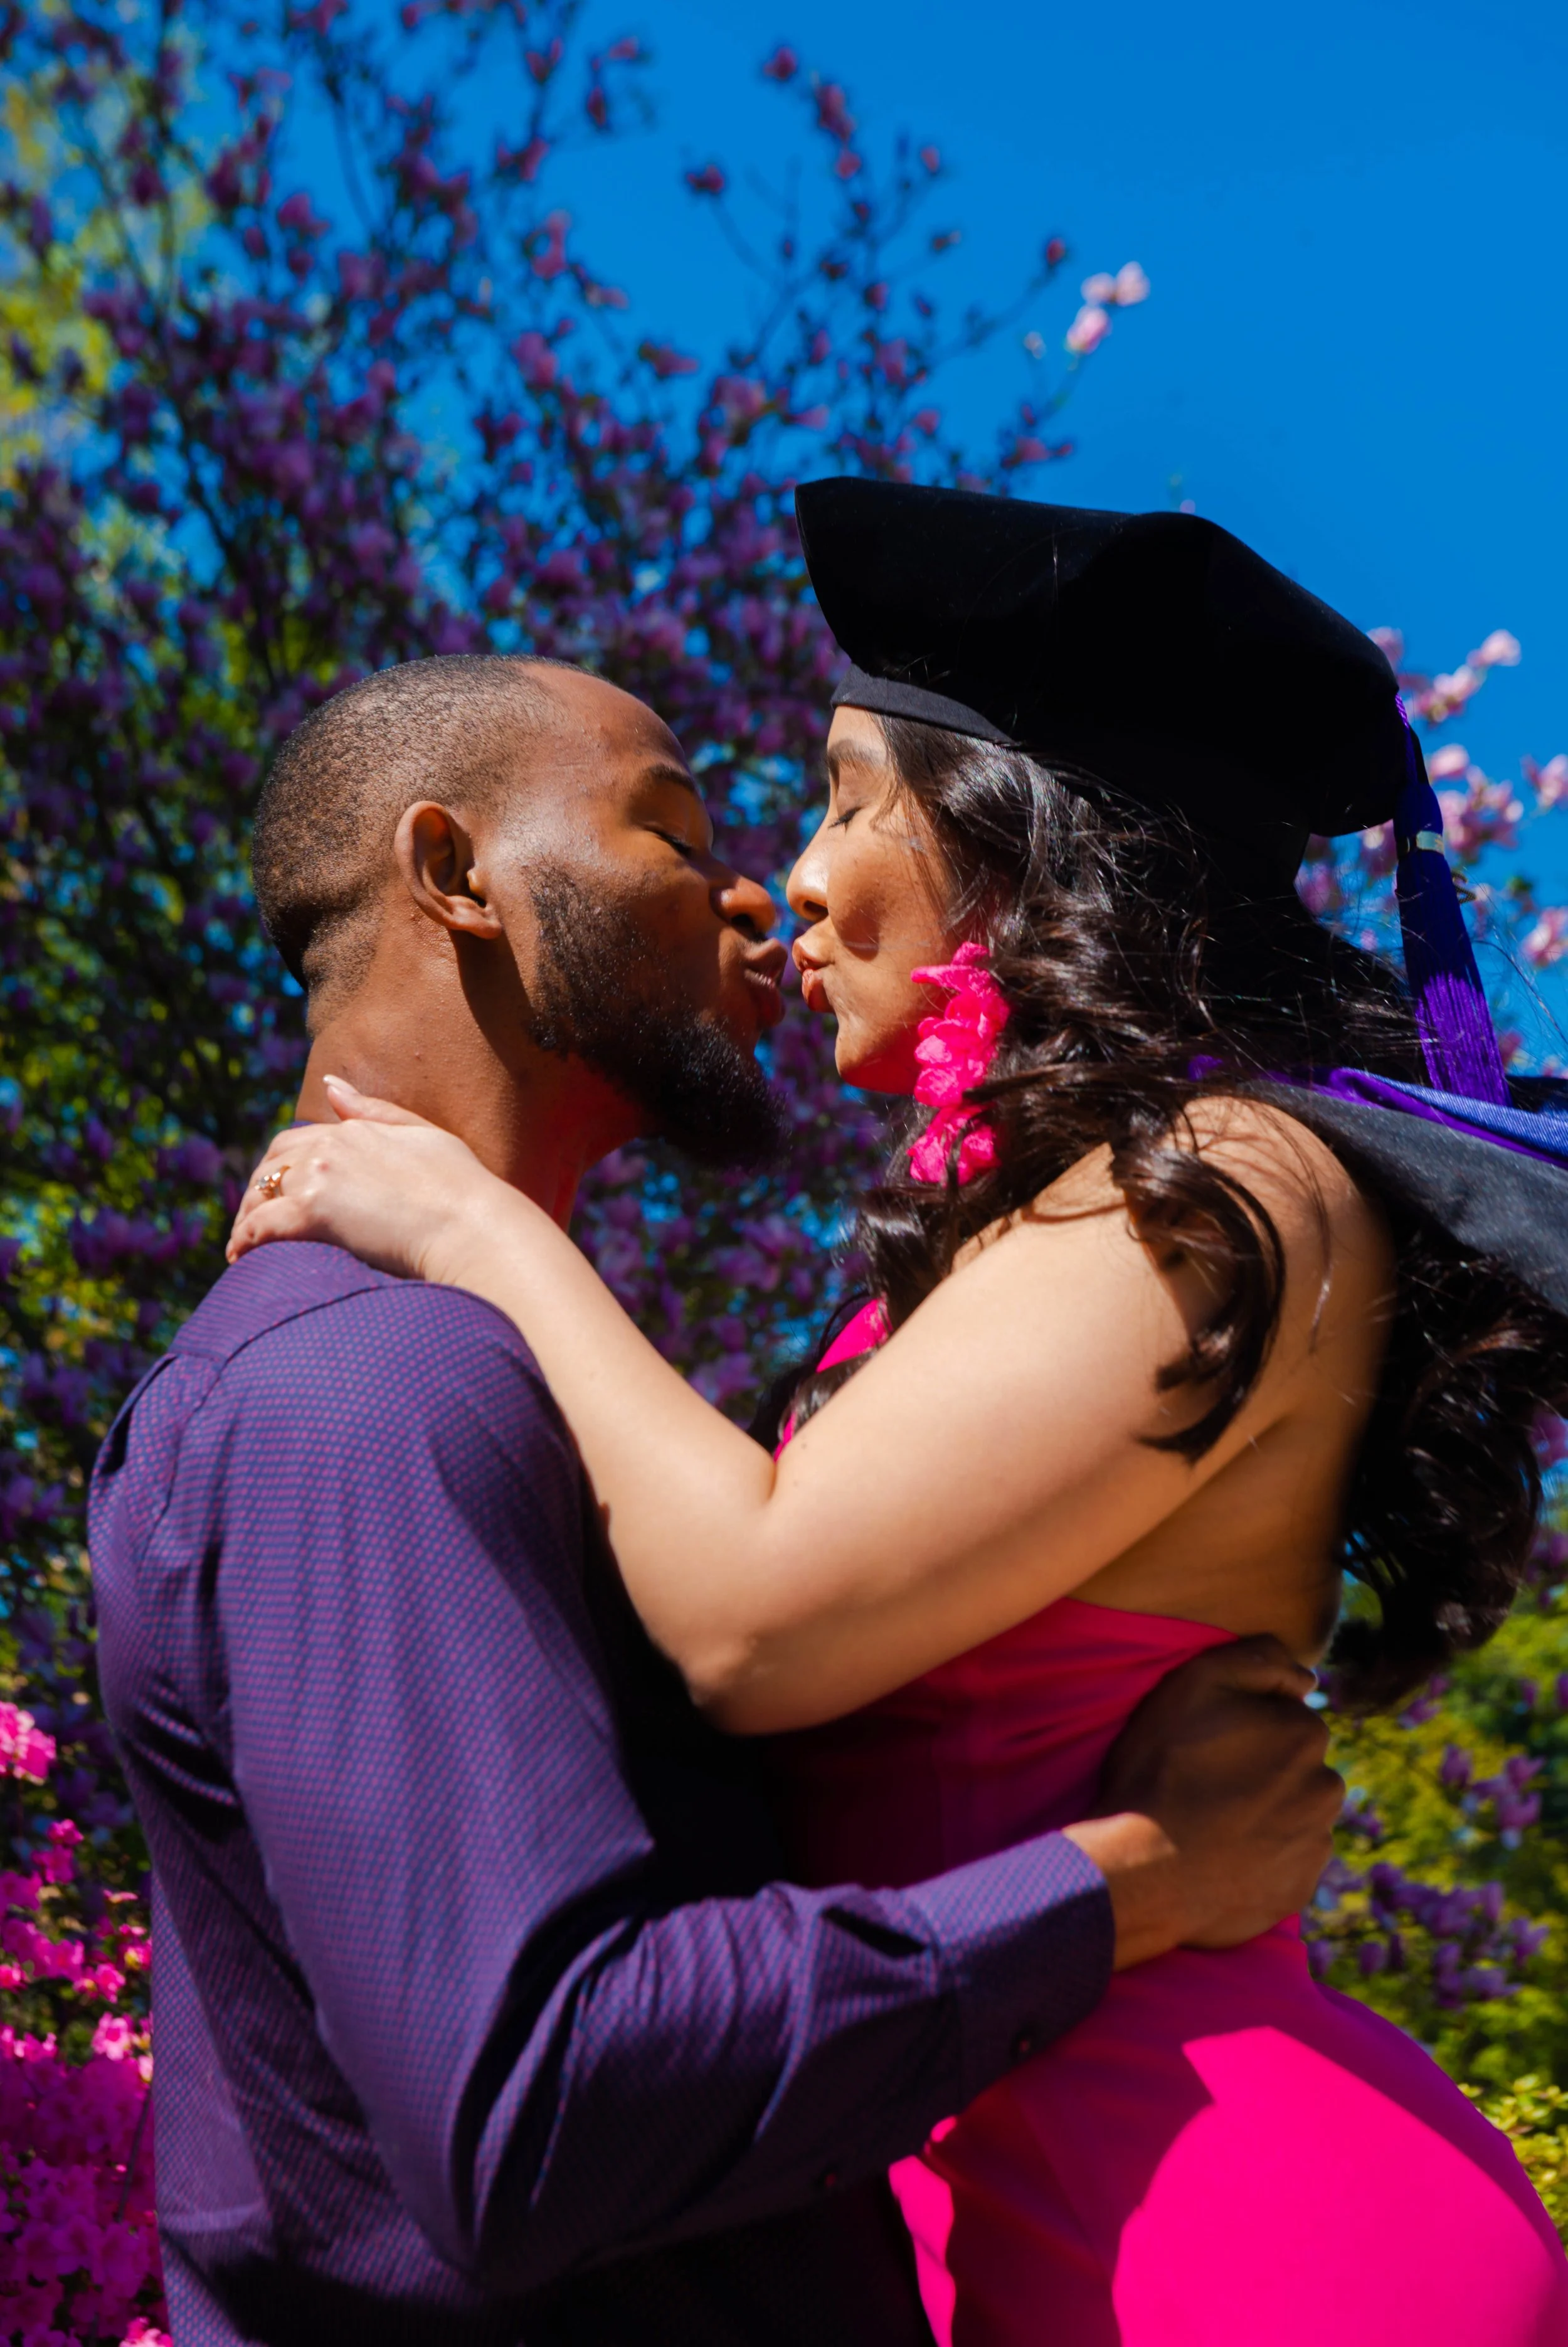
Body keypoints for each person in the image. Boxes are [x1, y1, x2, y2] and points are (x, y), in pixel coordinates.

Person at [230, 484, 1568, 2345]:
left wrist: (473, 1225)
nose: (791, 870)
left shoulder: (1223, 1176)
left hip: (1218, 2220)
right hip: (984, 2179)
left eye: (849, 793)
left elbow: (755, 1614)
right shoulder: (1031, 1231)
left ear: (1018, 839)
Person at [88, 651, 1340, 2347]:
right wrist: (1128, 1877)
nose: (761, 884)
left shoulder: (459, 1369)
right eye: (670, 829)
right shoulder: (375, 1390)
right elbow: (543, 2107)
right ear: (457, 874)